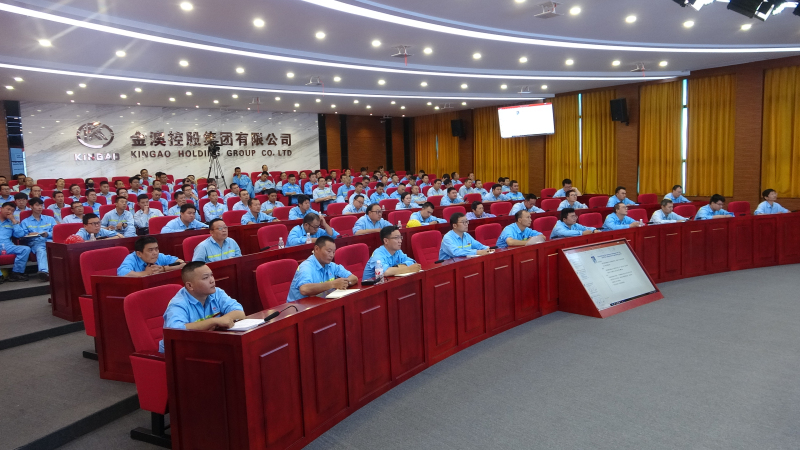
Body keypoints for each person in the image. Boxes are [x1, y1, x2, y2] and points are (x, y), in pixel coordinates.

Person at [158, 261, 244, 352]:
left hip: (205, 345)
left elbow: (239, 312)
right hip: (178, 352)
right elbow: (175, 331)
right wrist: (214, 321)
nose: (212, 280)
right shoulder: (178, 304)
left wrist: (220, 321)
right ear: (190, 286)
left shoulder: (217, 293)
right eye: (205, 278)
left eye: (211, 275)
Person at [287, 236, 358, 302]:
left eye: (333, 252)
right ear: (316, 249)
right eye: (329, 251)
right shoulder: (306, 267)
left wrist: (344, 283)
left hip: (321, 303)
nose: (332, 255)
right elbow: (304, 289)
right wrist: (332, 284)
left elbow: (354, 278)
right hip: (300, 308)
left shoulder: (331, 265)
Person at [15, 198, 57, 281]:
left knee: (59, 247)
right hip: (35, 242)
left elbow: (56, 232)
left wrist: (47, 234)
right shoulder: (25, 222)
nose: (40, 207)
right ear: (31, 207)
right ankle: (44, 272)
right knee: (41, 249)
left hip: (49, 240)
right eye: (37, 205)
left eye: (41, 205)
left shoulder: (50, 219)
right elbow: (22, 236)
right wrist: (29, 234)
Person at [118, 236, 185, 277]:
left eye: (156, 249)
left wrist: (164, 268)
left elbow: (182, 263)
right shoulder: (131, 258)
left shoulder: (159, 256)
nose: (155, 253)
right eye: (150, 250)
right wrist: (147, 273)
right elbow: (123, 274)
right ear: (139, 253)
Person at [0, 201, 31, 282]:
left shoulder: (12, 222)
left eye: (12, 211)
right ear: (1, 209)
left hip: (7, 246)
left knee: (25, 249)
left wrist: (14, 221)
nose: (10, 212)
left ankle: (16, 273)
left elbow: (20, 235)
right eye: (8, 209)